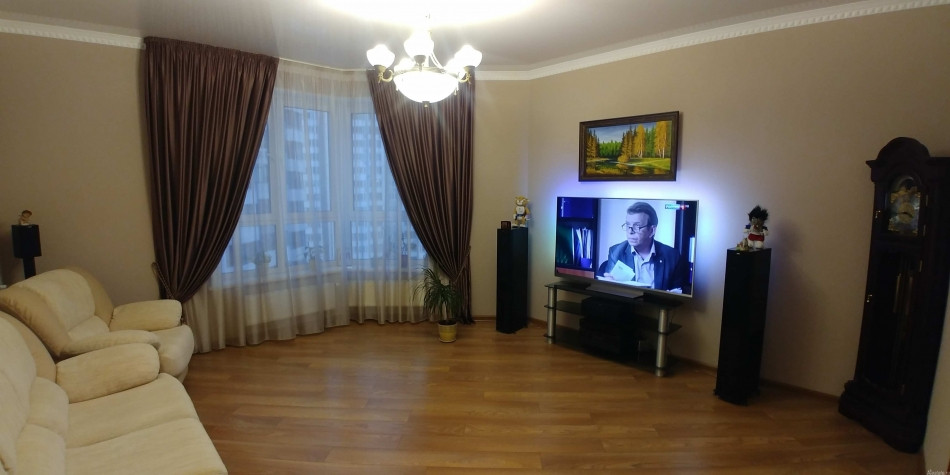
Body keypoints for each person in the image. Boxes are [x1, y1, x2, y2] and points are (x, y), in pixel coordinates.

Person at [597, 201, 690, 293]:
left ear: (652, 230)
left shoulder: (672, 256)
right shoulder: (616, 252)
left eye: (637, 226)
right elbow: (610, 290)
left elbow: (678, 293)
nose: (630, 231)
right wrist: (609, 286)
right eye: (628, 225)